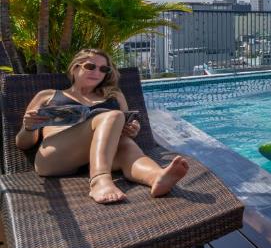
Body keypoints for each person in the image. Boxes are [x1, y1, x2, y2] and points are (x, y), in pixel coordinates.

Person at [16, 48, 189, 204]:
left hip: (102, 156)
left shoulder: (114, 95)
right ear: (75, 68)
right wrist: (29, 127)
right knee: (113, 116)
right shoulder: (48, 96)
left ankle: (156, 177)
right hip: (54, 158)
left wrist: (131, 130)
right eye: (90, 66)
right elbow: (23, 144)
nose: (97, 72)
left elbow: (124, 132)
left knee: (125, 143)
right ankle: (99, 180)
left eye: (103, 69)